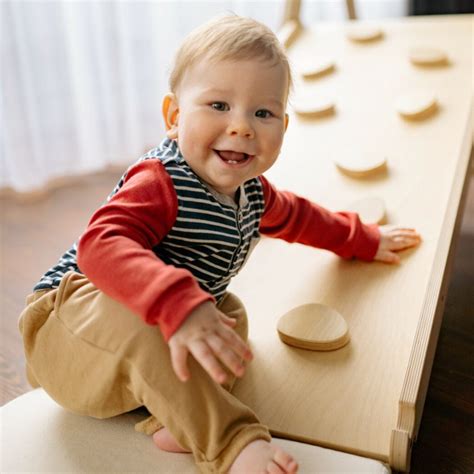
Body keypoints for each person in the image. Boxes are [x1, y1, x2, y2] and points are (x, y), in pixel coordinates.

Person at [19, 14, 421, 474]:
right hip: (66, 331)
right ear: (174, 117)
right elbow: (100, 245)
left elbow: (302, 217)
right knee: (159, 315)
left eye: (262, 113)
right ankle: (231, 443)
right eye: (218, 105)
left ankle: (175, 415)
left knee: (227, 318)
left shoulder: (252, 192)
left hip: (138, 352)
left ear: (284, 129)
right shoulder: (160, 182)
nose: (242, 127)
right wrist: (179, 304)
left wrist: (361, 239)